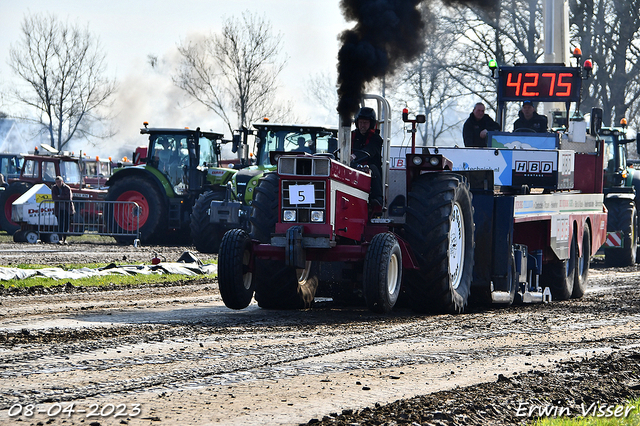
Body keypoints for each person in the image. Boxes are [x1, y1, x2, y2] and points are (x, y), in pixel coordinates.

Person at [351, 107, 383, 206]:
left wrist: (354, 156)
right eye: (360, 122)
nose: (362, 126)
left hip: (369, 169)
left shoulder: (376, 139)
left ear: (371, 123)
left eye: (365, 123)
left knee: (372, 168)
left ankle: (377, 199)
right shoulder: (351, 136)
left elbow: (370, 150)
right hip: (352, 167)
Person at [51, 176, 75, 244]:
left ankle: (64, 238)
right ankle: (60, 239)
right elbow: (54, 198)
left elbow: (68, 198)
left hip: (67, 209)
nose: (58, 183)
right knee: (60, 224)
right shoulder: (54, 188)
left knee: (66, 224)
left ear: (62, 182)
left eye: (59, 182)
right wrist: (61, 197)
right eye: (57, 182)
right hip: (58, 210)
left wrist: (59, 197)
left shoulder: (67, 188)